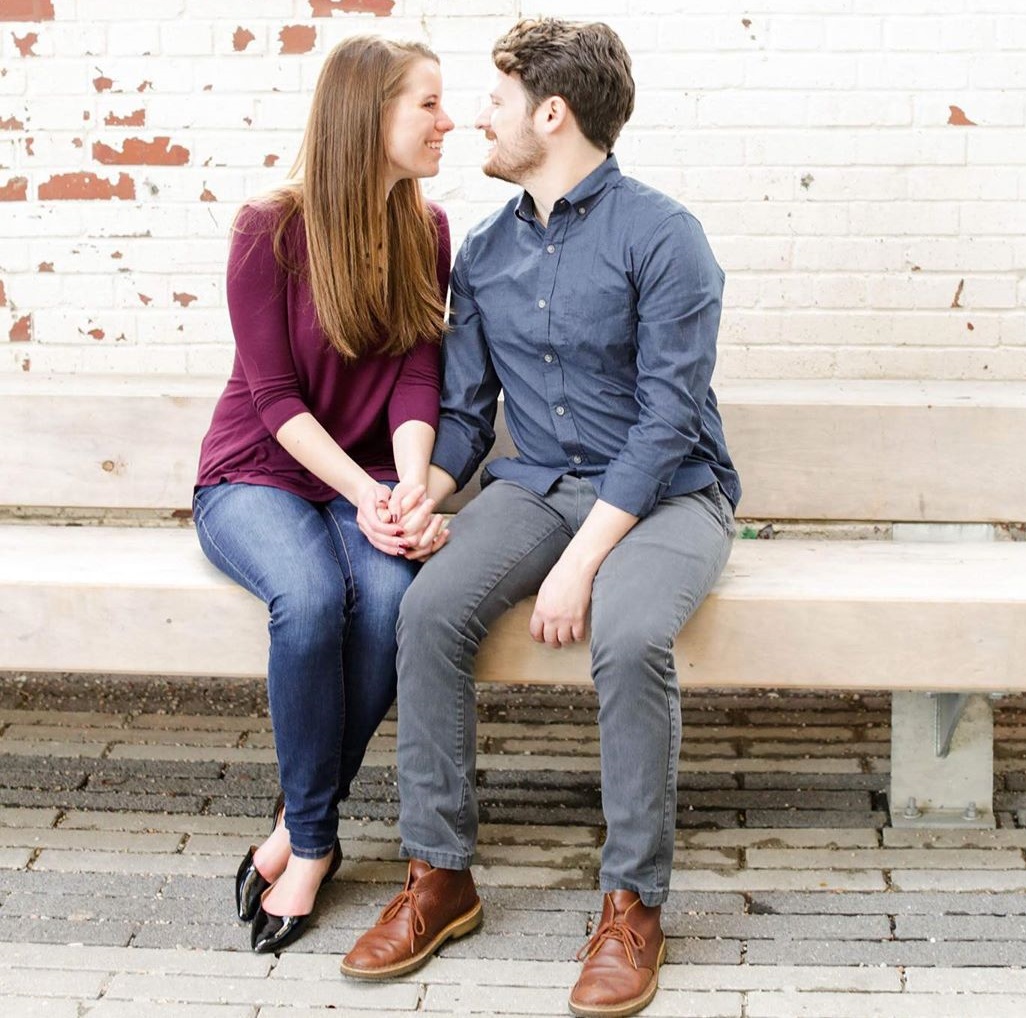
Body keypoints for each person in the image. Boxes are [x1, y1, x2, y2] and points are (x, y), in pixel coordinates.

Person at [341, 17, 740, 1018]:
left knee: (630, 632)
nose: (479, 117)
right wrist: (424, 493)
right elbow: (468, 414)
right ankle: (440, 877)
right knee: (428, 610)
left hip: (669, 494)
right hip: (536, 486)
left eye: (498, 101)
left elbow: (667, 424)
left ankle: (632, 905)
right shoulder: (482, 252)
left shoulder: (665, 237)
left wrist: (581, 564)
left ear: (552, 114)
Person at [192, 34, 454, 954]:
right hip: (255, 472)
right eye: (428, 103)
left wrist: (408, 489)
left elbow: (418, 376)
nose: (449, 122)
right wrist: (365, 489)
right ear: (368, 114)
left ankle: (295, 824)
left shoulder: (426, 229)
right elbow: (274, 400)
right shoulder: (267, 229)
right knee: (308, 600)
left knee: (387, 604)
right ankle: (312, 845)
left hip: (368, 480)